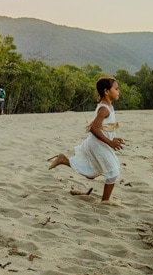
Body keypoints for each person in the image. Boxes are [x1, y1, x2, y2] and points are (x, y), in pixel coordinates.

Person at [48, 76, 125, 205]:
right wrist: (110, 142)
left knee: (92, 173)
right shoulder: (104, 109)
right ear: (106, 91)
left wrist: (112, 138)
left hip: (98, 144)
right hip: (97, 145)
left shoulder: (108, 106)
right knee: (112, 172)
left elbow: (103, 127)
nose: (119, 91)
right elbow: (94, 128)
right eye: (116, 89)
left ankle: (64, 160)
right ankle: (105, 201)